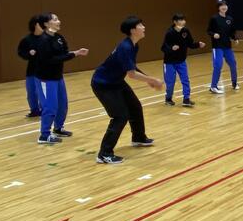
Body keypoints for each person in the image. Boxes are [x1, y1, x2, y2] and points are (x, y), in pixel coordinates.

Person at [92, 16, 162, 164]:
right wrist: (152, 80)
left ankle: (138, 138)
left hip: (116, 82)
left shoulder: (134, 45)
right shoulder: (125, 47)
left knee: (135, 107)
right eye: (140, 25)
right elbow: (131, 74)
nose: (144, 27)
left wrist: (147, 78)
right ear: (133, 30)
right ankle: (104, 154)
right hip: (103, 84)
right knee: (120, 116)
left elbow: (131, 66)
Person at [34, 13, 88, 144]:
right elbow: (50, 60)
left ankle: (58, 128)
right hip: (46, 79)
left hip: (58, 77)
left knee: (62, 105)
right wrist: (74, 54)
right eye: (55, 19)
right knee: (50, 107)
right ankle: (44, 135)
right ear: (46, 24)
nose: (59, 21)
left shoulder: (59, 38)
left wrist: (75, 53)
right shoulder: (42, 40)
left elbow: (64, 54)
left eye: (58, 19)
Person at [161, 13, 205, 107]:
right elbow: (163, 48)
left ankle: (186, 99)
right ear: (175, 22)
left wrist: (198, 44)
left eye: (184, 20)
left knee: (185, 80)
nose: (183, 21)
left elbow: (190, 44)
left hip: (181, 61)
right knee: (170, 83)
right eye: (181, 20)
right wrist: (172, 48)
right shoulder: (170, 33)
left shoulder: (186, 31)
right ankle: (168, 98)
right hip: (169, 62)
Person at [207, 1, 239, 94]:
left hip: (227, 46)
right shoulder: (214, 18)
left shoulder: (230, 19)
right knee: (218, 65)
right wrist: (214, 34)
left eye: (225, 5)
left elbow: (232, 32)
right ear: (218, 8)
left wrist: (235, 38)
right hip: (217, 46)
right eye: (221, 6)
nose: (224, 7)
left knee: (233, 63)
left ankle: (234, 83)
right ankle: (213, 87)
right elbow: (209, 30)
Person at [17, 15, 43, 118]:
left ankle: (44, 110)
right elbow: (21, 52)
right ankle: (34, 111)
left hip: (45, 71)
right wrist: (29, 53)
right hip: (32, 70)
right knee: (31, 92)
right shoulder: (27, 40)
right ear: (36, 25)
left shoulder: (47, 38)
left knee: (43, 92)